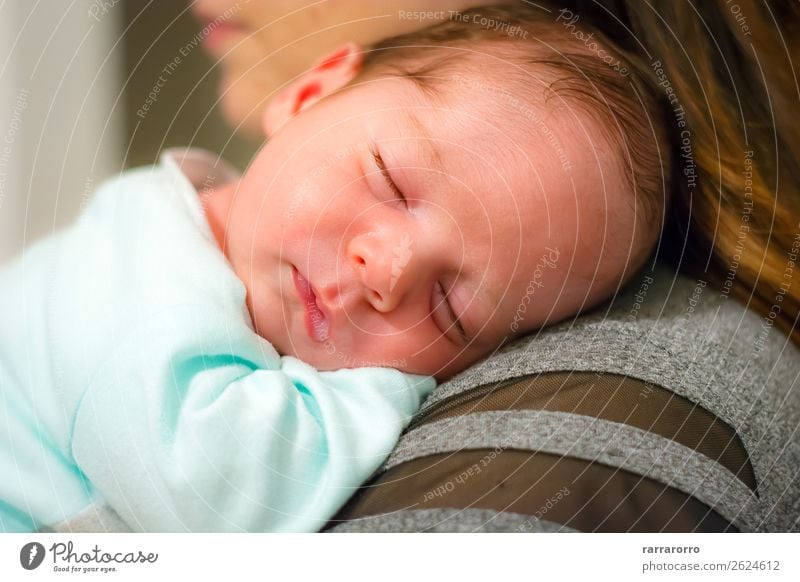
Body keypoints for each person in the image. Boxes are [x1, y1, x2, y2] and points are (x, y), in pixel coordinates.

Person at [0, 4, 667, 531]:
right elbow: (229, 501)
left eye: (451, 309)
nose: (388, 272)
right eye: (391, 183)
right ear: (310, 93)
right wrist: (394, 392)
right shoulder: (135, 285)